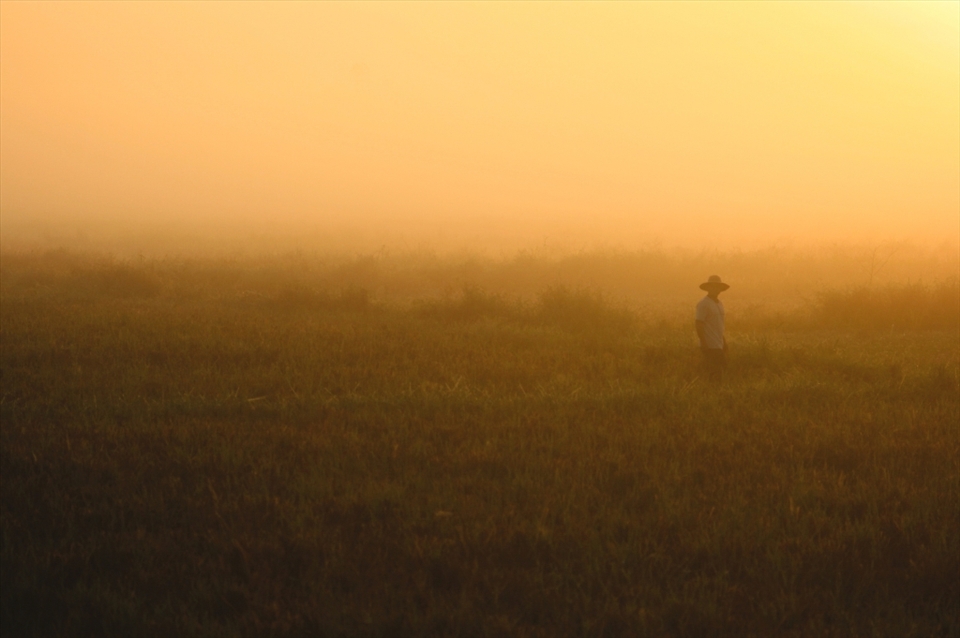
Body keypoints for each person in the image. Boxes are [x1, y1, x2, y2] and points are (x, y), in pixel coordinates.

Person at [695, 275, 729, 383]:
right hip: (710, 344)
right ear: (708, 288)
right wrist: (704, 343)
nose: (715, 289)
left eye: (717, 287)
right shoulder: (703, 304)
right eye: (713, 286)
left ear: (720, 289)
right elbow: (699, 324)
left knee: (718, 370)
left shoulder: (719, 303)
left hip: (718, 343)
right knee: (718, 370)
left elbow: (718, 325)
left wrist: (723, 340)